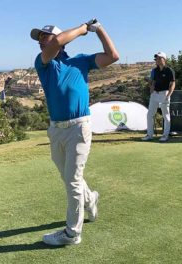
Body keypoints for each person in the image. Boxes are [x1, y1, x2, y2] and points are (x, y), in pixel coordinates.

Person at [30, 19, 119, 246]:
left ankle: (72, 233)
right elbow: (57, 42)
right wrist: (82, 29)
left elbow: (113, 56)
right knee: (69, 178)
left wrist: (98, 29)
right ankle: (91, 199)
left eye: (44, 37)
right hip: (55, 130)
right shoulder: (44, 63)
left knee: (72, 180)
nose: (41, 42)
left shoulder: (81, 62)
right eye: (39, 39)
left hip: (79, 127)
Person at [142, 52, 175, 142]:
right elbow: (152, 81)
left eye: (159, 58)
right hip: (155, 94)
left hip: (165, 93)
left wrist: (168, 95)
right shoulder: (154, 70)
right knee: (149, 115)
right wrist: (151, 89)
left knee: (166, 115)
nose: (157, 60)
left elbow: (172, 84)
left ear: (164, 59)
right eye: (156, 59)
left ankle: (165, 135)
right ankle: (149, 135)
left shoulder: (169, 70)